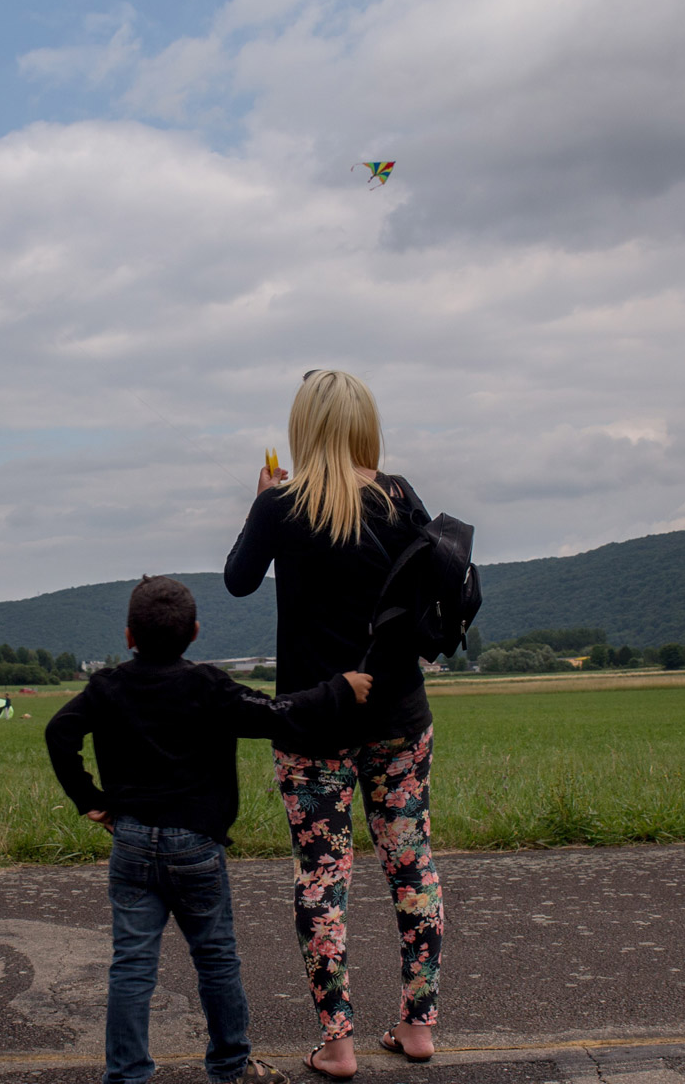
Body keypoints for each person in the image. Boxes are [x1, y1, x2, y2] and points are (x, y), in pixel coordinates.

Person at [45, 575, 373, 1084]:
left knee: (131, 964)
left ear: (129, 635)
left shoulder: (107, 687)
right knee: (216, 958)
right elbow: (275, 714)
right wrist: (338, 690)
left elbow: (59, 732)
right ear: (195, 632)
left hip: (130, 842)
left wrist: (91, 801)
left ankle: (126, 1074)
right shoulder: (207, 686)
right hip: (196, 844)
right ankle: (229, 1066)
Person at [224, 370, 445, 1080]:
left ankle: (338, 1043)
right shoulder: (401, 495)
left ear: (304, 427)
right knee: (412, 866)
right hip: (399, 717)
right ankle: (418, 1027)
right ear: (364, 425)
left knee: (323, 878)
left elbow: (236, 579)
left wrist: (260, 503)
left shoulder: (284, 504)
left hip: (315, 719)